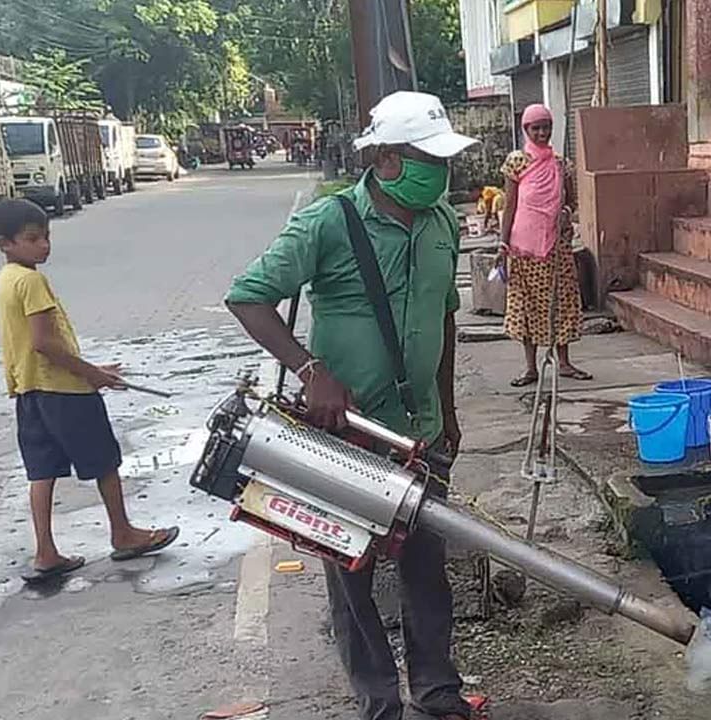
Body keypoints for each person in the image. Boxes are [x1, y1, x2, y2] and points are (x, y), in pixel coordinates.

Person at [226, 91, 476, 720]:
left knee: (426, 564)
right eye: (427, 159)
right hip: (346, 434)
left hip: (419, 431)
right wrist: (311, 371)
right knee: (351, 571)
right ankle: (378, 701)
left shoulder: (442, 222)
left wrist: (445, 410)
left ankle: (437, 691)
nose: (440, 172)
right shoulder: (328, 223)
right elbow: (249, 297)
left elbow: (443, 321)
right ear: (387, 159)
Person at [0, 199, 179, 584]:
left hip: (30, 391)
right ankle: (123, 532)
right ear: (4, 243)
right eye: (31, 239)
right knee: (104, 461)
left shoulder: (7, 278)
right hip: (65, 392)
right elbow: (45, 343)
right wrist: (92, 375)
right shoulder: (32, 281)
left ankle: (45, 552)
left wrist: (93, 371)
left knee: (41, 472)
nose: (43, 245)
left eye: (46, 236)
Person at [497, 103, 590, 387]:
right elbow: (510, 204)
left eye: (546, 127)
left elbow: (571, 202)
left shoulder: (562, 165)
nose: (541, 133)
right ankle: (530, 368)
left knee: (560, 302)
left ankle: (564, 363)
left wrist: (564, 215)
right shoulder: (517, 162)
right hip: (523, 247)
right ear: (525, 130)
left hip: (556, 247)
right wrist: (502, 242)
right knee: (526, 306)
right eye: (535, 128)